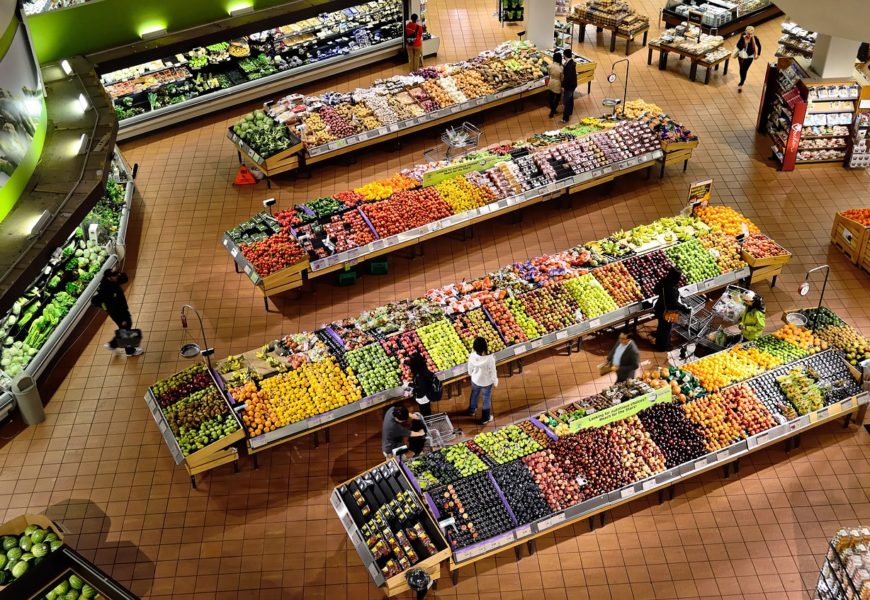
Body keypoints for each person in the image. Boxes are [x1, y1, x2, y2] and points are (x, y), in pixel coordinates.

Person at [91, 270, 143, 356]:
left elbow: (125, 279)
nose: (117, 276)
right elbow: (96, 301)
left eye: (116, 274)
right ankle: (130, 351)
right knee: (126, 329)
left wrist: (119, 274)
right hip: (118, 313)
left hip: (122, 310)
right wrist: (121, 319)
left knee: (125, 328)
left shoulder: (112, 281)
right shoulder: (106, 289)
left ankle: (112, 345)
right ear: (109, 277)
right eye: (114, 275)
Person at [652, 267, 690, 352]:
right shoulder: (672, 287)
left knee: (661, 327)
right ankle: (663, 347)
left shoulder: (664, 281)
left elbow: (655, 290)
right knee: (666, 329)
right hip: (668, 312)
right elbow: (673, 303)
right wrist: (684, 308)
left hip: (660, 308)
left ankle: (659, 344)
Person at [466, 337, 498, 425]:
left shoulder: (472, 356)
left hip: (475, 380)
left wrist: (471, 374)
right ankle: (485, 418)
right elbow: (493, 372)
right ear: (485, 347)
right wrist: (495, 382)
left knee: (474, 394)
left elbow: (470, 368)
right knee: (486, 399)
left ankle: (471, 410)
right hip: (486, 382)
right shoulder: (490, 359)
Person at [405, 352, 442, 417]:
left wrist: (409, 385)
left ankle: (427, 422)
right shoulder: (424, 370)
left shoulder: (420, 376)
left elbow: (421, 388)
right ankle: (428, 419)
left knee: (424, 410)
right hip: (428, 394)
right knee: (427, 409)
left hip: (423, 397)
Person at [736, 26, 761, 92]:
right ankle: (742, 80)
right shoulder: (742, 36)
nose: (749, 35)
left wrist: (758, 54)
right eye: (748, 33)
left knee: (744, 70)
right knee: (741, 69)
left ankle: (741, 83)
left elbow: (759, 46)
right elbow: (738, 45)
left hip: (749, 57)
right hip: (741, 55)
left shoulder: (755, 38)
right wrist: (744, 41)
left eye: (751, 34)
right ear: (745, 32)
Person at [561, 48, 577, 123]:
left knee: (566, 101)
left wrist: (563, 86)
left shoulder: (569, 66)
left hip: (569, 86)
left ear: (565, 55)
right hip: (573, 85)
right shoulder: (571, 63)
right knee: (570, 99)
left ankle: (565, 118)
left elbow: (567, 78)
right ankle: (570, 112)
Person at [547, 52, 563, 118]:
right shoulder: (561, 68)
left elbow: (549, 73)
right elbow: (562, 77)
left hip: (551, 82)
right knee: (557, 98)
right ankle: (553, 110)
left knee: (551, 98)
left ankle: (552, 110)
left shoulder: (550, 66)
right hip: (557, 83)